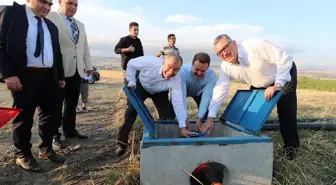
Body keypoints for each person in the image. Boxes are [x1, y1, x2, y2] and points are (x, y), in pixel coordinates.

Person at [201, 34, 300, 160]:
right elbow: (220, 89)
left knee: (286, 111)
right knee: (251, 113)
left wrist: (277, 85)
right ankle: (250, 148)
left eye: (225, 47)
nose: (224, 53)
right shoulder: (226, 67)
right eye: (220, 53)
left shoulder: (254, 45)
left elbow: (284, 58)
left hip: (283, 73)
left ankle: (290, 151)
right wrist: (210, 117)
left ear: (234, 43)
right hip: (259, 82)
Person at [0, 0, 67, 172]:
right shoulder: (11, 14)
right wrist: (8, 74)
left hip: (49, 77)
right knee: (24, 117)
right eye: (43, 2)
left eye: (50, 4)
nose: (47, 7)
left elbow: (56, 53)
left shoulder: (51, 26)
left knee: (51, 116)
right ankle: (23, 154)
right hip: (24, 77)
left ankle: (46, 149)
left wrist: (59, 76)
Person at [116, 54, 198, 156]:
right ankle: (122, 143)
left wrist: (183, 127)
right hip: (142, 86)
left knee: (168, 117)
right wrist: (131, 80)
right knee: (131, 111)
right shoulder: (151, 62)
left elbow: (178, 103)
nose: (171, 72)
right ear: (163, 62)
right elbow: (131, 63)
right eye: (169, 67)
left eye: (176, 69)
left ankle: (162, 143)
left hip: (160, 93)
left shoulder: (176, 80)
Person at [47, 0, 94, 150]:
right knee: (55, 105)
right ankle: (54, 136)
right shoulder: (50, 17)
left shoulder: (80, 25)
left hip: (76, 70)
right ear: (60, 2)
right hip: (58, 70)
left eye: (75, 4)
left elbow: (84, 47)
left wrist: (88, 66)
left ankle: (70, 130)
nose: (73, 7)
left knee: (72, 103)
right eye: (69, 3)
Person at [179, 52, 217, 131]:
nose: (199, 73)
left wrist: (199, 117)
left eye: (203, 71)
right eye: (197, 69)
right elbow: (181, 97)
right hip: (184, 90)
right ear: (192, 64)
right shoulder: (182, 72)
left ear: (207, 68)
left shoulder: (211, 75)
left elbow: (206, 97)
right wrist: (184, 118)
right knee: (174, 112)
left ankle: (203, 135)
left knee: (205, 115)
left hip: (200, 92)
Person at [114, 22, 144, 86]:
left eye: (137, 30)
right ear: (130, 30)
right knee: (127, 86)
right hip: (127, 68)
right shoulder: (124, 39)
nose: (136, 31)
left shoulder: (138, 41)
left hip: (137, 68)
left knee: (136, 86)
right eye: (135, 30)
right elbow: (116, 50)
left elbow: (141, 54)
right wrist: (127, 49)